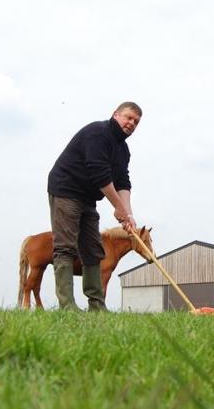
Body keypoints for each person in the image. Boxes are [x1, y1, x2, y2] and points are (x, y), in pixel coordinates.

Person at [47, 102, 142, 311]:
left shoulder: (123, 150)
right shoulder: (97, 133)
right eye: (128, 117)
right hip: (66, 189)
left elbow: (123, 182)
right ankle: (67, 306)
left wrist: (128, 214)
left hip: (88, 198)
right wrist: (118, 208)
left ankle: (97, 305)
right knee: (66, 247)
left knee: (93, 249)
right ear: (116, 114)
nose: (131, 123)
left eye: (136, 122)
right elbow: (99, 174)